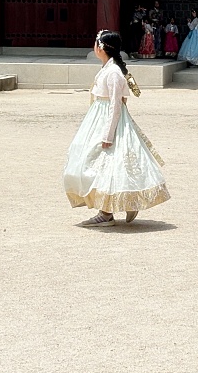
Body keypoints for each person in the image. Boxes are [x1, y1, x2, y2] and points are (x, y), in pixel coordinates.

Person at [63, 30, 169, 227]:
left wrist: (108, 134)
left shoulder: (113, 73)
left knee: (108, 163)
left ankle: (107, 211)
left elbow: (115, 104)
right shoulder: (108, 68)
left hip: (109, 121)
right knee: (99, 162)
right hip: (98, 118)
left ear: (101, 48)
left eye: (96, 43)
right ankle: (111, 208)